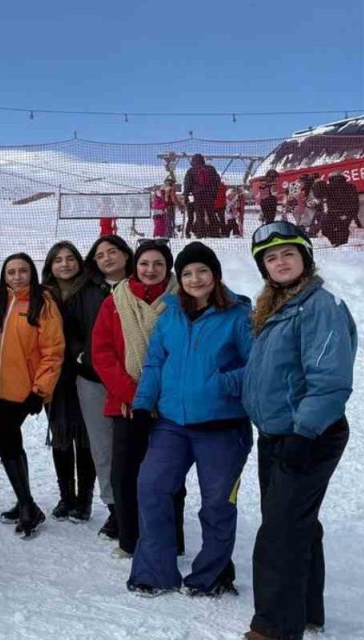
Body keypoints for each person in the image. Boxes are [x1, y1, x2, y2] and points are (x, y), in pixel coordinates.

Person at [243, 222, 356, 640]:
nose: (280, 262)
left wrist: (304, 433)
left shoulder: (318, 307)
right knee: (293, 523)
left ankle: (274, 629)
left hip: (309, 434)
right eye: (271, 258)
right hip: (279, 433)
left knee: (280, 531)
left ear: (305, 258)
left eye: (288, 254)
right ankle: (307, 609)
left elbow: (329, 380)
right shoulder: (277, 306)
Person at [127, 242, 252, 598]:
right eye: (187, 273)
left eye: (202, 271)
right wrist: (142, 404)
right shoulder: (171, 315)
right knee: (151, 488)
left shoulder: (239, 316)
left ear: (215, 274)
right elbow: (155, 362)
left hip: (222, 426)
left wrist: (221, 384)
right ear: (179, 279)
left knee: (217, 503)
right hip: (172, 425)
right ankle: (155, 572)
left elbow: (257, 364)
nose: (195, 279)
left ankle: (211, 575)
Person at [91, 240, 186, 560]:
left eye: (158, 264)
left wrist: (162, 395)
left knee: (169, 474)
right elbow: (102, 353)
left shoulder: (182, 299)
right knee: (125, 473)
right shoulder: (115, 301)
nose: (150, 270)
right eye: (144, 263)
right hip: (127, 403)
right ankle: (130, 539)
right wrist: (135, 396)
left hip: (169, 404)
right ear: (135, 265)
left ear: (168, 267)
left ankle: (172, 538)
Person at [0, 253, 64, 539]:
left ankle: (28, 505)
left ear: (32, 273)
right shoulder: (3, 303)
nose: (17, 276)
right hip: (0, 389)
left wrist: (40, 389)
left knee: (1, 440)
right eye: (11, 272)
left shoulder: (42, 303)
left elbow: (53, 351)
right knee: (11, 442)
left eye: (23, 271)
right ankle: (25, 502)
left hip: (24, 390)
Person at [72, 235, 134, 537]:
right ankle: (115, 508)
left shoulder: (141, 284)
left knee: (136, 447)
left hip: (135, 380)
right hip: (94, 380)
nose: (107, 258)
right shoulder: (85, 291)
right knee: (103, 447)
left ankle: (139, 505)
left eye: (112, 252)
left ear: (125, 254)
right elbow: (69, 329)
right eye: (100, 255)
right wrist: (82, 355)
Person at [40, 241, 98, 523]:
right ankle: (66, 497)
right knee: (61, 436)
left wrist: (83, 355)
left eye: (70, 258)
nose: (65, 264)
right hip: (55, 377)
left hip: (86, 372)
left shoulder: (92, 291)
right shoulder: (43, 295)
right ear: (50, 266)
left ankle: (84, 499)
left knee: (86, 438)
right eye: (58, 260)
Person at [183, 154, 221, 239]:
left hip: (198, 195)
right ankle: (215, 233)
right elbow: (217, 181)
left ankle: (201, 234)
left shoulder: (191, 170)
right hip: (209, 195)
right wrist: (214, 194)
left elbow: (187, 184)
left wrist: (186, 196)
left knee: (200, 215)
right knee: (212, 214)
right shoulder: (211, 169)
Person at [321, 172, 359, 247]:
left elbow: (319, 194)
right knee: (343, 230)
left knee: (326, 230)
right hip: (347, 212)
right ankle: (341, 245)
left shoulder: (328, 187)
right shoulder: (351, 186)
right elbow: (355, 202)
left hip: (332, 213)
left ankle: (336, 243)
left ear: (331, 178)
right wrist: (348, 215)